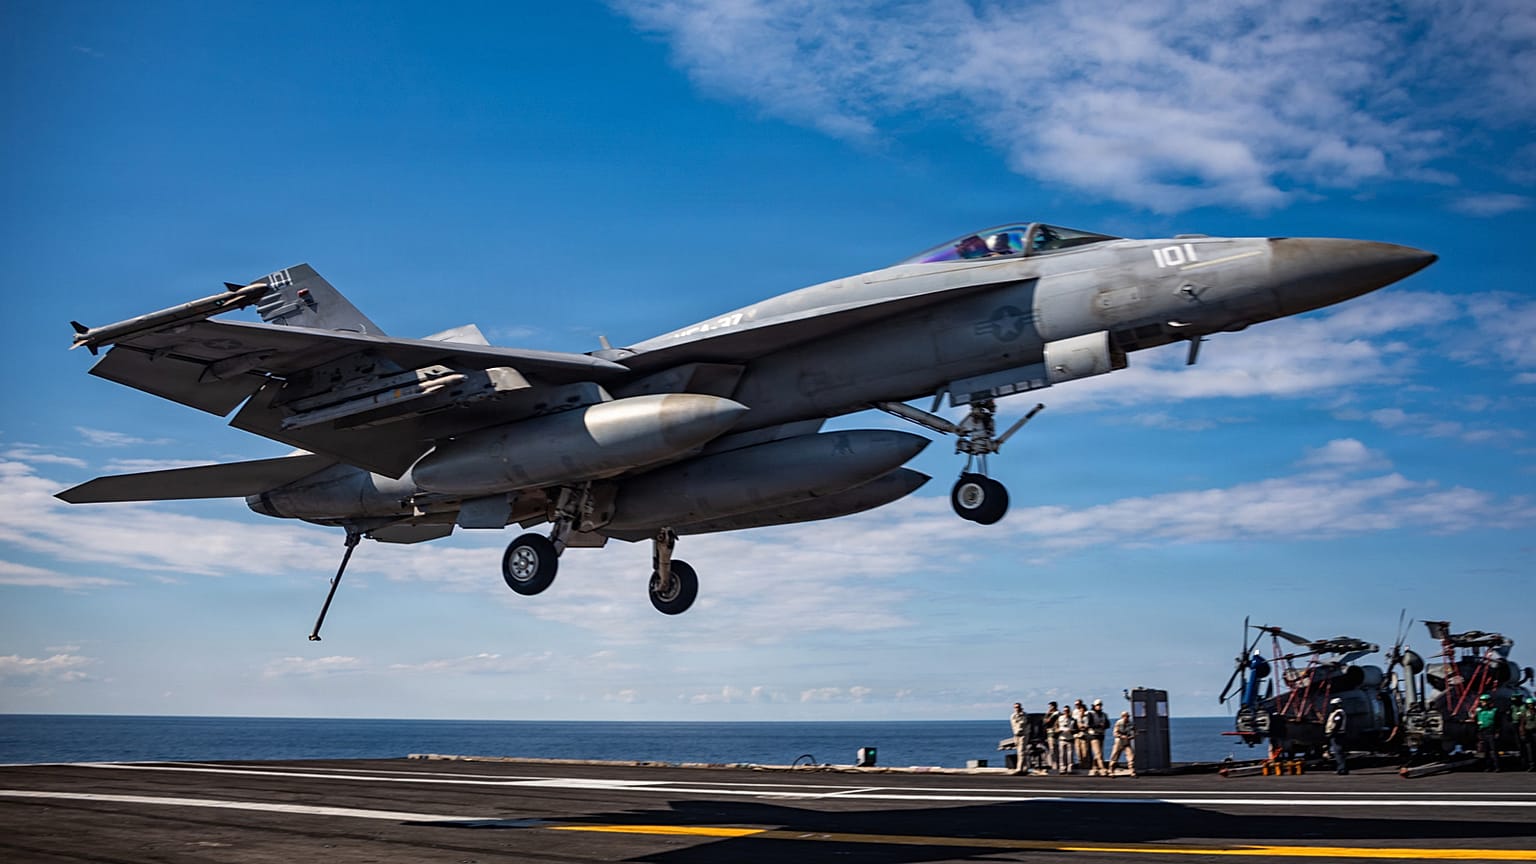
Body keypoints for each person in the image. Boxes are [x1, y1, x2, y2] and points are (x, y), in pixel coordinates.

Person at [1476, 693, 1502, 772]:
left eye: (1484, 701)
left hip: (1491, 732)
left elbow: (1499, 722)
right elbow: (1476, 722)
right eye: (1482, 701)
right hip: (1483, 732)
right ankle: (1488, 767)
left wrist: (1497, 732)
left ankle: (1497, 767)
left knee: (1494, 750)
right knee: (1486, 751)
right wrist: (1478, 733)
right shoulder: (1479, 711)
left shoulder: (1494, 710)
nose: (1483, 702)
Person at [1085, 699, 1109, 776]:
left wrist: (1104, 726)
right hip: (1093, 735)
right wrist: (1098, 725)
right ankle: (1102, 768)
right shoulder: (1090, 714)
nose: (1099, 707)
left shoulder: (1104, 715)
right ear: (1094, 706)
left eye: (1100, 705)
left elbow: (1108, 724)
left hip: (1101, 735)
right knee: (1098, 753)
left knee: (1098, 753)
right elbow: (1089, 724)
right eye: (1098, 705)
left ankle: (1094, 767)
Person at [1325, 698, 1348, 775]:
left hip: (1337, 734)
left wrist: (1332, 733)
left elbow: (1337, 724)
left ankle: (1342, 769)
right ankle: (1341, 768)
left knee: (1338, 752)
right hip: (1337, 734)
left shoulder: (1339, 713)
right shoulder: (1336, 713)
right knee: (1338, 752)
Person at [1109, 710, 1135, 776]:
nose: (1126, 717)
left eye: (1127, 716)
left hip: (1127, 741)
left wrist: (1132, 736)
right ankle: (1111, 770)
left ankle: (1132, 771)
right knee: (1115, 756)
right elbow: (1115, 733)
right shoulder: (1119, 723)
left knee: (1130, 756)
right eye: (1124, 716)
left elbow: (1134, 731)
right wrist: (1121, 736)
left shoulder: (1131, 723)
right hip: (1119, 741)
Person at [1055, 703, 1078, 774]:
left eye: (1067, 711)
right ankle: (1062, 768)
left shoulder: (1073, 720)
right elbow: (1055, 728)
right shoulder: (1059, 719)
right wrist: (1059, 730)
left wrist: (1071, 731)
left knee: (1070, 755)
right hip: (1062, 739)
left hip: (1070, 739)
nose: (1066, 712)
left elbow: (1076, 729)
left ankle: (1070, 768)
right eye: (1065, 711)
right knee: (1062, 755)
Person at [1010, 702, 1030, 775]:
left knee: (1021, 751)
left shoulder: (1024, 715)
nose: (1017, 709)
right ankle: (1025, 768)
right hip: (1016, 735)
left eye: (1018, 707)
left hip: (1023, 735)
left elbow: (1024, 723)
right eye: (1015, 707)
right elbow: (1013, 725)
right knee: (1020, 752)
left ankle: (1019, 768)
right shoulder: (1013, 716)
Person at [1518, 696, 1536, 772]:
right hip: (1528, 732)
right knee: (1530, 750)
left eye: (1531, 704)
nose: (1530, 705)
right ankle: (1532, 765)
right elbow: (1522, 723)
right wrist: (1522, 733)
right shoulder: (1525, 712)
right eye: (1529, 704)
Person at [1042, 701, 1060, 772]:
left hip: (1054, 733)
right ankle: (1054, 765)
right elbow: (1044, 721)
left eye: (1050, 706)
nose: (1049, 708)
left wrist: (1047, 714)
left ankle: (1055, 766)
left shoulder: (1056, 714)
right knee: (1052, 750)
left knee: (1054, 750)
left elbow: (1047, 721)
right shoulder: (1051, 714)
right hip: (1050, 733)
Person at [1072, 699, 1089, 772]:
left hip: (1084, 735)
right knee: (1078, 752)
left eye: (1078, 704)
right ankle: (1081, 765)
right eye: (1076, 704)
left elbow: (1086, 725)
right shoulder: (1074, 712)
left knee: (1085, 752)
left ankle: (1086, 766)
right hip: (1077, 735)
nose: (1077, 706)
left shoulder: (1086, 714)